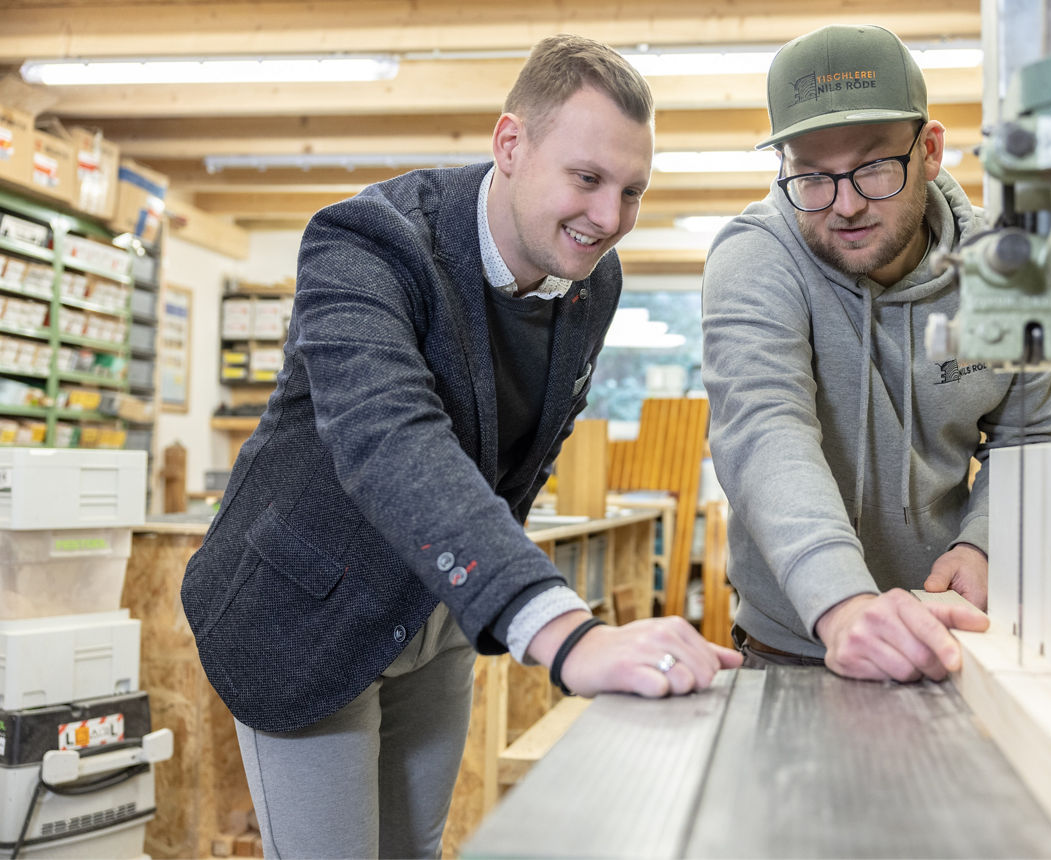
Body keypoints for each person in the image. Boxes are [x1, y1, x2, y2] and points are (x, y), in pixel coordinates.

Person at [182, 34, 741, 859]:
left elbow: (527, 449)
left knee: (415, 848)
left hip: (440, 609)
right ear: (510, 144)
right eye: (587, 179)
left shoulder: (593, 276)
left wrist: (480, 594)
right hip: (309, 614)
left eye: (633, 191)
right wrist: (567, 633)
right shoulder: (368, 242)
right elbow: (389, 437)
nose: (609, 218)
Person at [701, 25, 1051, 684]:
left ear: (929, 150)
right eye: (811, 175)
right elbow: (765, 432)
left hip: (952, 632)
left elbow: (1031, 435)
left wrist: (985, 542)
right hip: (793, 647)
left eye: (872, 167)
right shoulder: (755, 257)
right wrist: (844, 607)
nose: (843, 206)